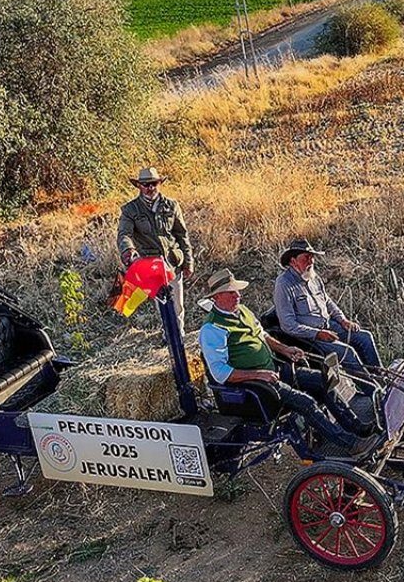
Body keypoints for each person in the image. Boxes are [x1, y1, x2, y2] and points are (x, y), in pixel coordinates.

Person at [198, 269, 376, 453]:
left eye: (237, 290)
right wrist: (259, 375)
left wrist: (285, 349)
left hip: (273, 371)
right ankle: (350, 444)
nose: (238, 295)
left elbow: (263, 335)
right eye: (231, 292)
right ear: (217, 297)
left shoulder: (242, 311)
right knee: (305, 402)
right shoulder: (212, 329)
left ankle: (356, 427)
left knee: (324, 380)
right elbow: (221, 373)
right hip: (255, 387)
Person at [273, 239, 382, 375]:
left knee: (365, 337)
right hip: (310, 337)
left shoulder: (313, 277)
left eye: (312, 257)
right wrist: (317, 334)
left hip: (329, 325)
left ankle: (381, 377)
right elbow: (288, 325)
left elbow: (327, 301)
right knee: (347, 352)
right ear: (293, 260)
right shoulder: (284, 284)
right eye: (306, 257)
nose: (311, 261)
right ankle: (372, 390)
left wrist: (342, 320)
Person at [117, 167, 193, 332]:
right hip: (151, 265)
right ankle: (169, 335)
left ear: (159, 184)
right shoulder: (130, 210)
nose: (150, 188)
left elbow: (182, 235)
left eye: (153, 184)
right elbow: (124, 234)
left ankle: (178, 336)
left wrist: (188, 262)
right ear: (139, 186)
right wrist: (128, 251)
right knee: (163, 304)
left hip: (173, 261)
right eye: (145, 184)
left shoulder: (171, 205)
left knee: (178, 304)